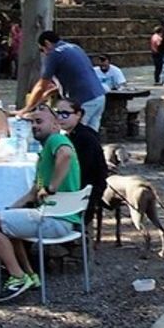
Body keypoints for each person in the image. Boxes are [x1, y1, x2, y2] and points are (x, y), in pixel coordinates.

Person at [0, 102, 80, 301]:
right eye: (33, 123)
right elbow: (31, 195)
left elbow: (66, 155)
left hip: (56, 219)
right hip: (62, 219)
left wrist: (51, 188)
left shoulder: (56, 140)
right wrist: (8, 211)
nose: (35, 126)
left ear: (55, 124)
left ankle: (17, 277)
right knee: (6, 222)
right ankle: (30, 275)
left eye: (40, 121)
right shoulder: (45, 155)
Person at [25, 29, 106, 131]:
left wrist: (27, 108)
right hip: (99, 96)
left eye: (42, 50)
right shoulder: (74, 47)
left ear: (47, 43)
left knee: (75, 134)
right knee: (91, 134)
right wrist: (49, 93)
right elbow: (74, 78)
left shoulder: (54, 54)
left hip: (84, 100)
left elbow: (41, 86)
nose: (44, 53)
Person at [52, 97, 110, 236]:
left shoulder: (84, 138)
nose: (60, 117)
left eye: (65, 113)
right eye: (57, 113)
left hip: (83, 197)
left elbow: (83, 172)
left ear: (78, 115)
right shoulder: (70, 135)